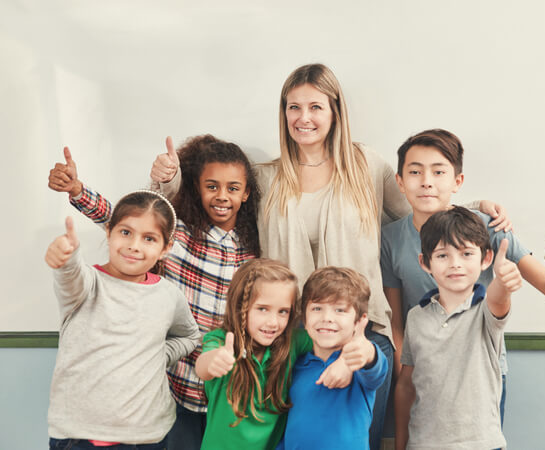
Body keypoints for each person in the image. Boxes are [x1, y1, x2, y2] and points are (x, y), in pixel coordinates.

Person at [152, 64, 510, 449]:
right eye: (293, 107)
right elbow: (212, 206)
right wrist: (167, 180)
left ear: (335, 111)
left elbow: (418, 208)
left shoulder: (366, 166)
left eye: (315, 107)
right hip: (291, 343)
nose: (303, 118)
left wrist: (472, 209)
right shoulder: (266, 177)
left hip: (363, 332)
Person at [47, 135, 261, 450]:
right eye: (211, 186)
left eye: (232, 188)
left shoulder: (253, 251)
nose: (221, 196)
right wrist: (78, 191)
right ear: (197, 189)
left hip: (225, 389)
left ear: (245, 194)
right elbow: (120, 218)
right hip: (176, 388)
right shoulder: (180, 236)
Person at [380, 129, 545, 421]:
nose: (427, 181)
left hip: (481, 376)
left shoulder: (488, 226)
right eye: (415, 172)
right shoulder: (390, 239)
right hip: (423, 376)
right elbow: (396, 323)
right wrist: (408, 380)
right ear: (400, 182)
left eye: (439, 172)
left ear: (457, 181)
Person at [45, 191, 201, 449]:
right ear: (109, 232)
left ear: (166, 249)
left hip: (149, 436)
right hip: (81, 436)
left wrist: (159, 354)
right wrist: (66, 258)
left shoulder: (169, 295)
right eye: (126, 232)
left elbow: (189, 336)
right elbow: (70, 276)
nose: (134, 245)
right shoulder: (88, 284)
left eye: (149, 238)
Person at [394, 207, 522, 449]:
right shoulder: (415, 317)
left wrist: (503, 281)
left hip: (481, 444)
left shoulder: (486, 310)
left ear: (485, 259)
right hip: (424, 444)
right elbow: (406, 384)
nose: (455, 264)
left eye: (466, 254)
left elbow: (498, 298)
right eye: (443, 255)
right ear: (425, 262)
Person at [195, 259, 355, 450]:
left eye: (283, 312)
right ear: (240, 307)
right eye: (262, 309)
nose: (273, 322)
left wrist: (346, 361)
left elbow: (341, 338)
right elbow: (203, 367)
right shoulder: (222, 340)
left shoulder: (292, 342)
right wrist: (214, 361)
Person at [279, 267, 388, 450]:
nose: (327, 317)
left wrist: (350, 359)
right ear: (304, 318)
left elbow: (373, 361)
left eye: (339, 310)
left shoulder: (358, 366)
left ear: (359, 321)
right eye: (317, 308)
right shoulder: (295, 366)